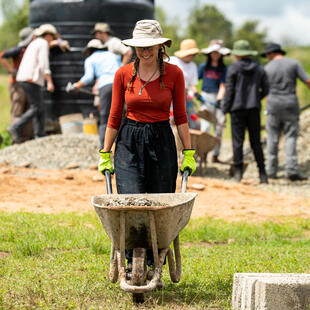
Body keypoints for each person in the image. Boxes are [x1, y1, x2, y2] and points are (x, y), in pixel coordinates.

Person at [97, 19, 196, 270]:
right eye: (140, 46)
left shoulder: (174, 73)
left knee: (160, 200)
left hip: (162, 139)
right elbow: (114, 116)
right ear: (134, 48)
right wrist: (105, 152)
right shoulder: (123, 74)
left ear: (161, 46)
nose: (145, 51)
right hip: (129, 140)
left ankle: (156, 257)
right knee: (131, 199)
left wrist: (189, 152)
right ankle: (131, 259)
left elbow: (182, 117)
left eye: (151, 45)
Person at [222, 40, 269, 183]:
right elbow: (266, 89)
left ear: (237, 55)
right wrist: (256, 98)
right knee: (256, 141)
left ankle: (238, 174)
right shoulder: (259, 69)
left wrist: (225, 109)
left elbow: (229, 91)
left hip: (237, 109)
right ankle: (263, 175)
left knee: (237, 142)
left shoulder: (233, 69)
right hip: (254, 109)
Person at [262, 43, 310, 181]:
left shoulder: (267, 68)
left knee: (272, 138)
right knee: (290, 138)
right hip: (290, 105)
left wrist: (269, 101)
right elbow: (307, 80)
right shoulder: (294, 64)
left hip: (273, 106)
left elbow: (263, 89)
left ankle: (271, 170)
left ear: (271, 54)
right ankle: (291, 170)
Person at [7, 24, 57, 142]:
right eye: (52, 37)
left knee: (40, 106)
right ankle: (15, 127)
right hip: (31, 79)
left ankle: (39, 132)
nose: (53, 39)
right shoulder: (43, 43)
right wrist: (49, 81)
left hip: (25, 78)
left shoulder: (35, 43)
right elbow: (43, 64)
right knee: (36, 107)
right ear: (48, 35)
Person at [69, 39, 120, 148]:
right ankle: (123, 147)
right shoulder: (113, 55)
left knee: (105, 118)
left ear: (90, 50)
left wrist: (76, 86)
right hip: (120, 85)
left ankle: (104, 149)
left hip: (105, 87)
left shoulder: (90, 59)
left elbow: (88, 77)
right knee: (121, 117)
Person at [198, 39, 230, 163]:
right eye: (213, 52)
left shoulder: (224, 69)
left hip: (218, 98)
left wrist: (219, 99)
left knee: (219, 128)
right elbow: (193, 81)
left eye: (217, 52)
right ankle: (203, 154)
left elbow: (223, 85)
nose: (215, 55)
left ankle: (215, 155)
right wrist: (196, 94)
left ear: (221, 54)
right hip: (205, 97)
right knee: (205, 128)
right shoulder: (203, 67)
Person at [0, 27, 34, 142]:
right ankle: (16, 137)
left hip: (28, 84)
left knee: (29, 109)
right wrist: (11, 70)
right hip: (17, 85)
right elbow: (2, 55)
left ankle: (26, 138)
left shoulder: (31, 49)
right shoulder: (19, 50)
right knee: (18, 110)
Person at [169, 39, 201, 129]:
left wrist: (197, 94)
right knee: (172, 121)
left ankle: (191, 142)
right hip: (171, 95)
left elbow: (192, 85)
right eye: (191, 54)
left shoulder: (193, 65)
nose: (192, 57)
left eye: (193, 55)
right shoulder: (171, 61)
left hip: (185, 96)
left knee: (194, 122)